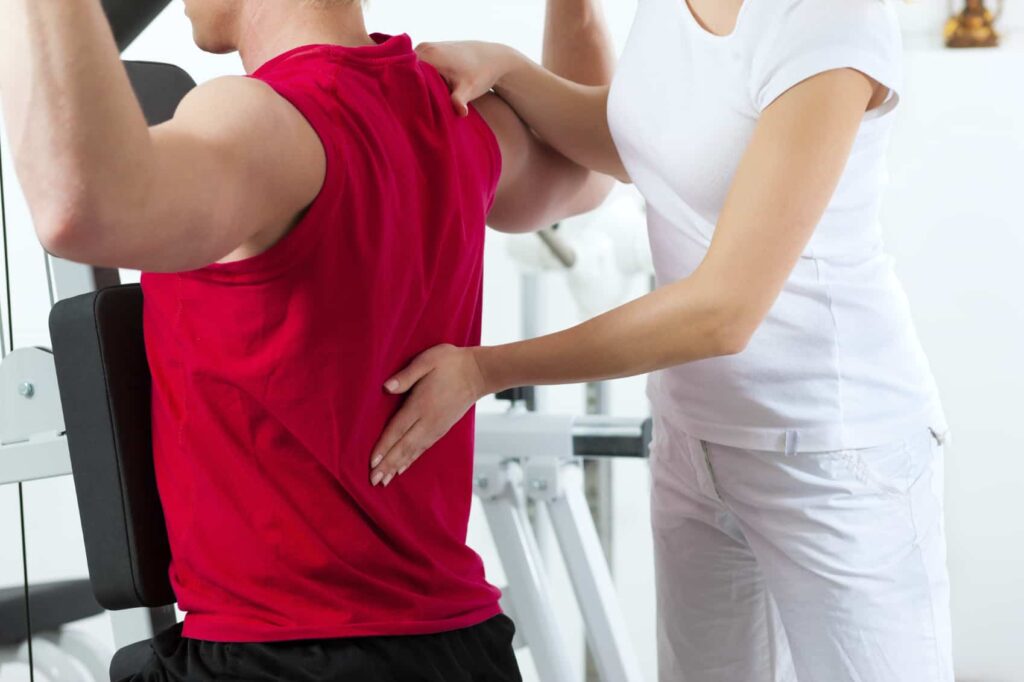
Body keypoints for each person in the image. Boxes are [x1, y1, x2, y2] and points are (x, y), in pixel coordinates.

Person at [0, 0, 615, 679]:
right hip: (462, 651)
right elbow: (585, 174)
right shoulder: (451, 106)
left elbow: (78, 206)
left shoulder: (263, 117)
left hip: (279, 661)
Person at [370, 0, 955, 680]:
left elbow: (723, 310)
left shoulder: (829, 17)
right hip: (693, 443)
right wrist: (510, 69)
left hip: (831, 454)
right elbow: (638, 140)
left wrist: (483, 371)